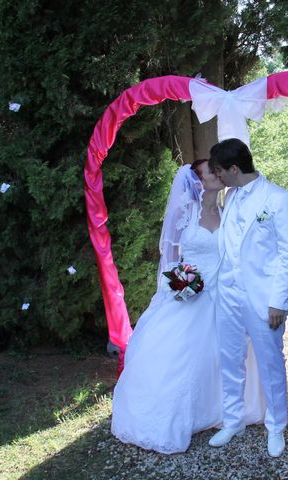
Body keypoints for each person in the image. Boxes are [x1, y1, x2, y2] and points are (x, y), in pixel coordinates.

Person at [111, 160, 265, 454]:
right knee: (185, 355)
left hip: (224, 295)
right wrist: (184, 286)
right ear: (198, 180)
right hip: (191, 293)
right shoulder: (185, 212)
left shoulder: (226, 209)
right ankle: (175, 415)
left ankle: (227, 410)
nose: (218, 174)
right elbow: (169, 258)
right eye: (212, 171)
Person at [207, 138, 288, 458]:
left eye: (219, 171)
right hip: (227, 295)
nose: (216, 177)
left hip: (261, 299)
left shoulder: (277, 199)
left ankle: (276, 426)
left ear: (234, 169)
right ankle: (233, 420)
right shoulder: (230, 196)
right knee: (230, 359)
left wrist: (278, 301)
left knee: (270, 362)